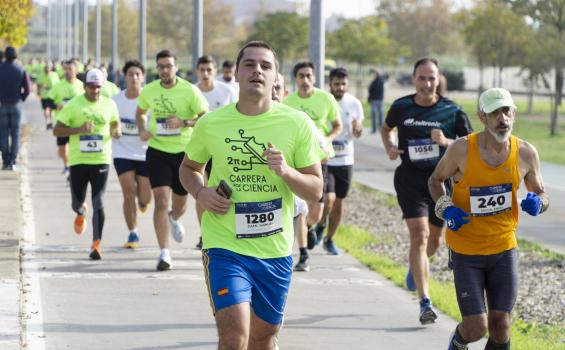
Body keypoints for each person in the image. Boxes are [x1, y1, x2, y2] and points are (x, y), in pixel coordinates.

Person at [179, 41, 322, 349]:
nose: (257, 70)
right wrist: (201, 192)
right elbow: (188, 167)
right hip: (224, 245)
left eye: (266, 66)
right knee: (234, 337)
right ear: (237, 74)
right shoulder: (211, 123)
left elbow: (316, 188)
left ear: (275, 79)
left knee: (263, 336)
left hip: (274, 250)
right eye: (250, 64)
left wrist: (286, 172)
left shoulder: (297, 123)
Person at [428, 88, 549, 350]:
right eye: (494, 113)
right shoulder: (461, 149)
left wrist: (538, 202)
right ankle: (459, 343)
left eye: (506, 111)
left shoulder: (526, 152)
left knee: (501, 325)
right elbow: (435, 180)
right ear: (482, 117)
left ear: (513, 113)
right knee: (476, 326)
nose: (502, 118)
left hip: (503, 248)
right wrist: (446, 207)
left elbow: (541, 192)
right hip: (466, 249)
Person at [380, 57, 473, 325]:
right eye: (421, 78)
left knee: (434, 241)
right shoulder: (401, 107)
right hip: (409, 180)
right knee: (419, 236)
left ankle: (416, 268)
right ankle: (425, 302)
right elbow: (387, 128)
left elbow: (471, 145)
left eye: (431, 78)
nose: (427, 83)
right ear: (413, 80)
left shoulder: (452, 110)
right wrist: (390, 144)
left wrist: (446, 141)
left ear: (438, 79)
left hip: (441, 183)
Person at [136, 49, 208, 271]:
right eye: (161, 66)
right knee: (160, 199)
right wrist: (143, 130)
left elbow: (205, 117)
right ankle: (164, 253)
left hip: (184, 154)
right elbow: (140, 112)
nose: (165, 70)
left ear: (176, 67)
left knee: (180, 204)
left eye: (169, 66)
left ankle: (173, 218)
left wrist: (184, 122)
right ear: (156, 69)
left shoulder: (189, 91)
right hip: (157, 151)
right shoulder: (149, 90)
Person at [53, 68, 121, 260]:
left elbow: (116, 123)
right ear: (85, 86)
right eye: (91, 87)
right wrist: (79, 129)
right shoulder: (74, 105)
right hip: (78, 160)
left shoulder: (109, 105)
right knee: (77, 202)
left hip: (101, 159)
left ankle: (96, 244)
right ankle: (81, 212)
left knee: (99, 201)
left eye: (98, 87)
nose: (95, 91)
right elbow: (57, 130)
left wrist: (117, 131)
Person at [283, 61, 342, 267]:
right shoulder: (288, 102)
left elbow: (337, 125)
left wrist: (328, 140)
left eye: (309, 76)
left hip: (320, 158)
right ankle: (300, 235)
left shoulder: (326, 99)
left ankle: (306, 226)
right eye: (301, 76)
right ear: (295, 79)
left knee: (316, 213)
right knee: (300, 207)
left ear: (315, 78)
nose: (305, 80)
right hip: (296, 160)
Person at [317, 68, 364, 255]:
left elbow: (357, 133)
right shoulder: (323, 101)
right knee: (329, 198)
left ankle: (329, 238)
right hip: (326, 158)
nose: (340, 87)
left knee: (339, 202)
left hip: (346, 158)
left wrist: (358, 130)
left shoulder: (354, 103)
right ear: (330, 84)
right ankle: (320, 224)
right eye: (337, 84)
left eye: (343, 84)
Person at [194, 55, 238, 248]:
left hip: (223, 148)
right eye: (202, 70)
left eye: (209, 70)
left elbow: (238, 115)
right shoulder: (193, 91)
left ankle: (225, 230)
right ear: (197, 71)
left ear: (215, 72)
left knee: (223, 193)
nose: (205, 74)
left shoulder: (227, 91)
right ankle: (204, 232)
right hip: (201, 148)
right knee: (202, 189)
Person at [112, 60, 152, 249]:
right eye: (130, 74)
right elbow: (110, 121)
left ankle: (143, 202)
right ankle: (133, 232)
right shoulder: (116, 100)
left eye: (137, 74)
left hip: (145, 152)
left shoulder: (150, 100)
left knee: (144, 197)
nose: (134, 78)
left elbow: (156, 124)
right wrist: (115, 129)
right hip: (122, 151)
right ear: (124, 77)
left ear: (142, 77)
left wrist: (148, 131)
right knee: (128, 192)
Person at [48, 59, 85, 179]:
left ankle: (72, 168)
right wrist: (56, 105)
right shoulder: (58, 85)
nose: (68, 72)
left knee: (76, 148)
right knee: (62, 150)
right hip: (62, 123)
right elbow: (48, 101)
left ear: (76, 71)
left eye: (71, 69)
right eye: (66, 69)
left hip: (77, 123)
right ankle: (66, 164)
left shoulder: (81, 86)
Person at [0, 46, 30, 171]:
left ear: (5, 56)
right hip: (16, 104)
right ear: (16, 56)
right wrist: (21, 98)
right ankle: (12, 161)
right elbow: (27, 89)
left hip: (2, 105)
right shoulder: (21, 70)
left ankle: (5, 160)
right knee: (16, 134)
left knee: (3, 133)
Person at [37, 60, 60, 130]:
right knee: (46, 109)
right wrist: (42, 87)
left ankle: (49, 122)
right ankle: (48, 122)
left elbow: (58, 85)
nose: (47, 69)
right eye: (46, 67)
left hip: (52, 96)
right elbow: (38, 84)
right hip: (44, 95)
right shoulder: (41, 75)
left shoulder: (55, 75)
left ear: (51, 68)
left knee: (50, 110)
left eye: (49, 67)